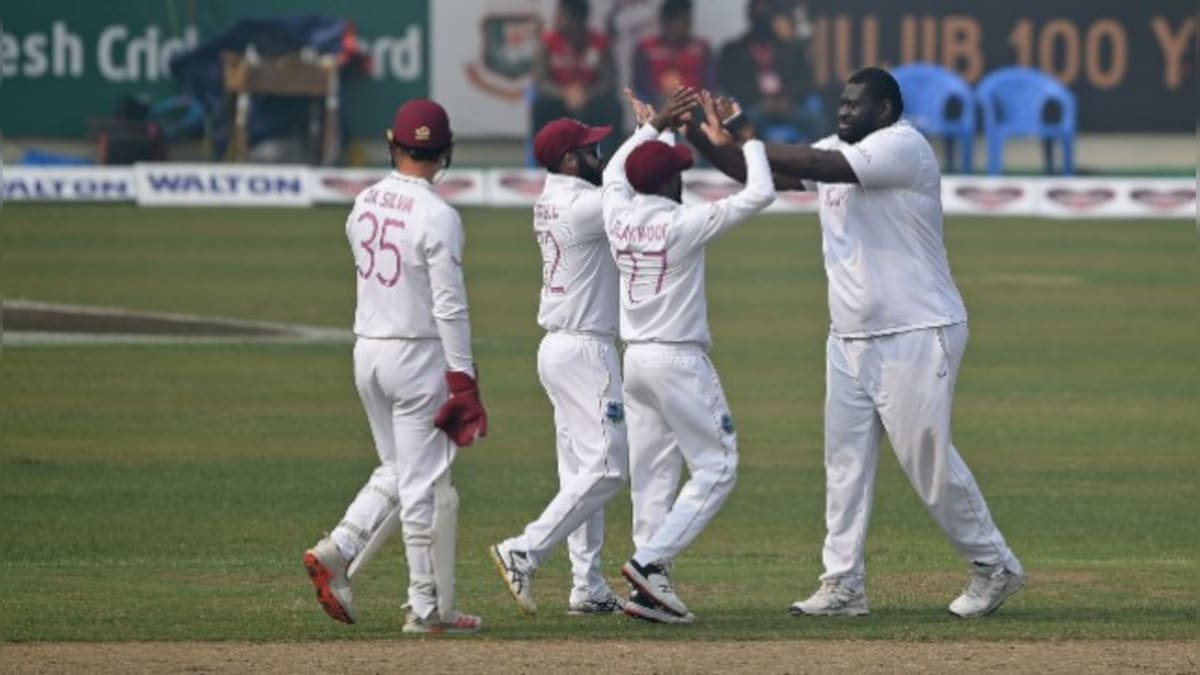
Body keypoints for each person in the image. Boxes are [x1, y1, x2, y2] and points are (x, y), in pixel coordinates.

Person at [686, 68, 1025, 618]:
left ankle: (995, 565)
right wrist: (699, 136)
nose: (843, 113)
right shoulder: (836, 148)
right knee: (843, 464)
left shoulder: (902, 147)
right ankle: (843, 584)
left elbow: (818, 166)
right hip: (848, 337)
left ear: (885, 110)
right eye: (841, 104)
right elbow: (760, 174)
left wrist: (746, 133)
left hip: (918, 329)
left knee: (927, 464)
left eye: (855, 105)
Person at [303, 98, 488, 635]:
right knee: (423, 487)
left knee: (399, 471)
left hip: (368, 352)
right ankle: (425, 608)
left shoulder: (362, 202)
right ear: (445, 151)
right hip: (417, 355)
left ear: (393, 145)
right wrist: (464, 381)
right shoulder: (440, 215)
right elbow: (449, 305)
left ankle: (338, 550)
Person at [601, 88, 775, 624]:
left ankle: (649, 591)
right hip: (678, 361)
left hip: (635, 362)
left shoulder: (617, 214)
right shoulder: (683, 223)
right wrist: (748, 138)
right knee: (718, 464)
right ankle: (650, 563)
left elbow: (612, 174)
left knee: (653, 476)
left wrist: (650, 128)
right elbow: (760, 193)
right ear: (671, 181)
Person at [488, 117, 629, 617]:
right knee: (610, 468)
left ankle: (587, 587)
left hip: (559, 347)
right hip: (586, 351)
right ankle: (524, 551)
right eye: (592, 149)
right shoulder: (582, 206)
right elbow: (626, 188)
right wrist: (653, 133)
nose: (601, 155)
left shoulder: (551, 197)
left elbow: (614, 181)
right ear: (571, 160)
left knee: (581, 472)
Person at [716, 0, 823, 142]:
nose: (762, 18)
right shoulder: (733, 50)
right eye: (758, 13)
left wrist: (787, 99)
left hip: (788, 104)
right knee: (736, 124)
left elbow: (804, 80)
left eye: (766, 13)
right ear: (749, 15)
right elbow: (731, 83)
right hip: (754, 106)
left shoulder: (790, 48)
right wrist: (761, 100)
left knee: (818, 121)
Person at [532, 0, 623, 156]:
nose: (556, 19)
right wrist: (564, 93)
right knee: (540, 105)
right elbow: (541, 81)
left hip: (591, 102)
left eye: (561, 15)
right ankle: (546, 160)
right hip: (559, 101)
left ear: (577, 19)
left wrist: (586, 94)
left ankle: (608, 162)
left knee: (614, 107)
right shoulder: (548, 42)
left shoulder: (599, 44)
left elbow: (608, 82)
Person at [631, 0, 715, 110]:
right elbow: (641, 85)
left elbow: (710, 84)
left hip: (695, 108)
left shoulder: (701, 48)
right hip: (658, 108)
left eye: (688, 20)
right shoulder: (647, 48)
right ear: (666, 22)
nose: (686, 26)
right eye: (681, 20)